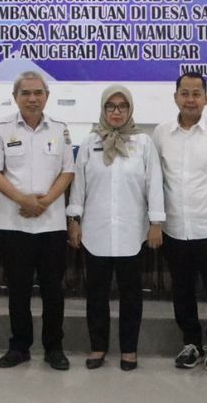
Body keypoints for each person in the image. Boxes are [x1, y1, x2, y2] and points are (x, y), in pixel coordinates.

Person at [66, 85, 164, 370]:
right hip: (95, 231)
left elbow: (154, 184)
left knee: (131, 295)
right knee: (96, 294)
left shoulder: (143, 143)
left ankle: (129, 350)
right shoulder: (89, 142)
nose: (116, 112)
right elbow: (79, 185)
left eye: (122, 106)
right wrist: (74, 220)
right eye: (111, 106)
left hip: (132, 232)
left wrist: (156, 223)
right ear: (103, 109)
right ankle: (98, 347)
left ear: (130, 109)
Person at [0, 71, 76, 370]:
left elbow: (68, 171)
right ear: (15, 97)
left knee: (53, 290)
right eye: (26, 93)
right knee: (18, 290)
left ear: (47, 96)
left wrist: (44, 202)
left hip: (51, 224)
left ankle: (54, 348)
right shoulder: (1, 128)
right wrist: (23, 200)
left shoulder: (60, 129)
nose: (32, 98)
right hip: (14, 223)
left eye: (38, 93)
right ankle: (19, 347)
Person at [152, 71, 207, 372]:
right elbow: (155, 181)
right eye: (185, 93)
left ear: (206, 98)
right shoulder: (161, 134)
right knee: (182, 290)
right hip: (175, 228)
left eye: (196, 94)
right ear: (175, 97)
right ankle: (191, 343)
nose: (190, 99)